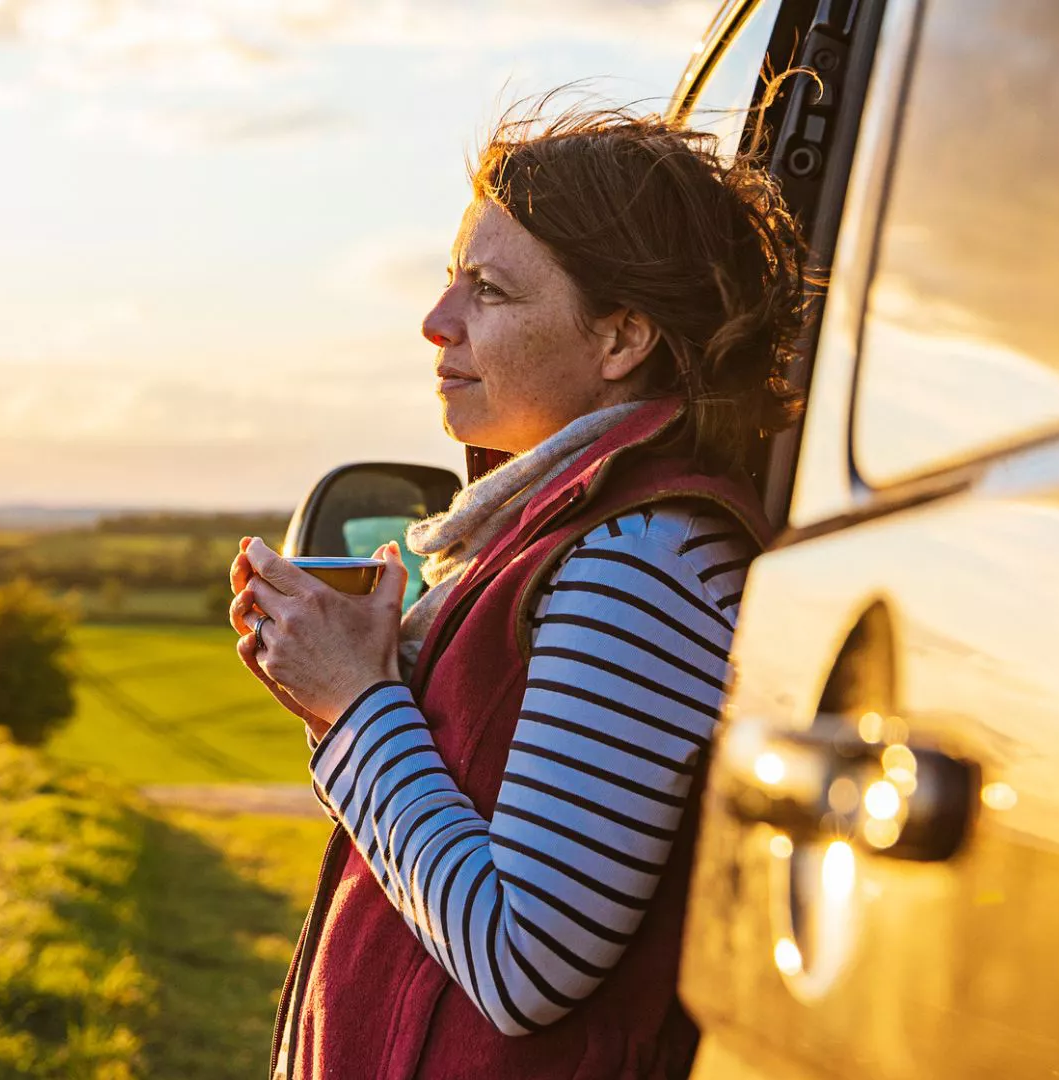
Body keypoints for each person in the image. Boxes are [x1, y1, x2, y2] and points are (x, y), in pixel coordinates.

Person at [228, 102, 810, 1080]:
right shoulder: (573, 536)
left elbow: (526, 959)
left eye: (489, 291)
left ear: (622, 337)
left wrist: (355, 703)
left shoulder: (638, 559)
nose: (436, 321)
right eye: (450, 279)